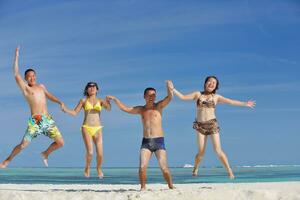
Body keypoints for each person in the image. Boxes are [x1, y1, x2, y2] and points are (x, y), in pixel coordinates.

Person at [170, 76, 255, 179]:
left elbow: (231, 101)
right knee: (201, 152)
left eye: (214, 83)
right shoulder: (198, 94)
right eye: (209, 81)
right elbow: (183, 97)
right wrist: (173, 89)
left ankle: (229, 171)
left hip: (212, 125)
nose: (211, 83)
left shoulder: (216, 97)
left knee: (218, 150)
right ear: (205, 83)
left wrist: (245, 104)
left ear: (216, 86)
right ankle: (196, 167)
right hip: (200, 126)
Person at [0, 47, 65, 168]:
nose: (32, 77)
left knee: (60, 143)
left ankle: (45, 153)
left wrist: (59, 102)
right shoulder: (26, 89)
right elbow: (16, 74)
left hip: (47, 120)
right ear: (26, 79)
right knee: (23, 144)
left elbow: (49, 95)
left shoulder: (41, 87)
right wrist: (17, 57)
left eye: (33, 75)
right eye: (29, 76)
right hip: (36, 120)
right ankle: (7, 160)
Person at [107, 81, 174, 190]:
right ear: (144, 96)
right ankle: (143, 187)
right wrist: (115, 99)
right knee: (142, 167)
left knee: (164, 168)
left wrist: (169, 88)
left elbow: (169, 98)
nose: (152, 97)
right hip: (146, 142)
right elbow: (125, 108)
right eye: (149, 95)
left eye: (154, 95)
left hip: (159, 141)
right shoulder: (141, 110)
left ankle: (171, 186)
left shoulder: (159, 106)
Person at [62, 82, 111, 178]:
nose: (92, 88)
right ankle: (87, 167)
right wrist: (66, 109)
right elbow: (74, 112)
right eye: (89, 87)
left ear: (97, 89)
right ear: (87, 90)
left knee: (100, 154)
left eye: (94, 87)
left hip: (98, 128)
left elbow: (108, 109)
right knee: (90, 152)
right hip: (86, 127)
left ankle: (98, 168)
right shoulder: (83, 101)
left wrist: (108, 101)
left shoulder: (101, 101)